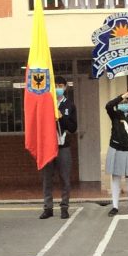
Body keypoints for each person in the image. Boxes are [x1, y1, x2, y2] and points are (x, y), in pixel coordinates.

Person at [39, 86, 78, 218]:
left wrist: (62, 117)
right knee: (47, 178)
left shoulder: (69, 105)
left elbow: (73, 127)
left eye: (60, 86)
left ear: (65, 87)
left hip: (63, 147)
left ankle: (64, 207)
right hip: (48, 146)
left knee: (65, 178)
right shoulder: (46, 104)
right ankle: (48, 207)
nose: (57, 89)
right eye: (55, 86)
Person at [104, 91, 128, 214]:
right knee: (116, 179)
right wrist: (122, 96)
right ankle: (115, 206)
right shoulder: (115, 115)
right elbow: (108, 105)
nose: (124, 104)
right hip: (116, 149)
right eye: (122, 103)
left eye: (126, 103)